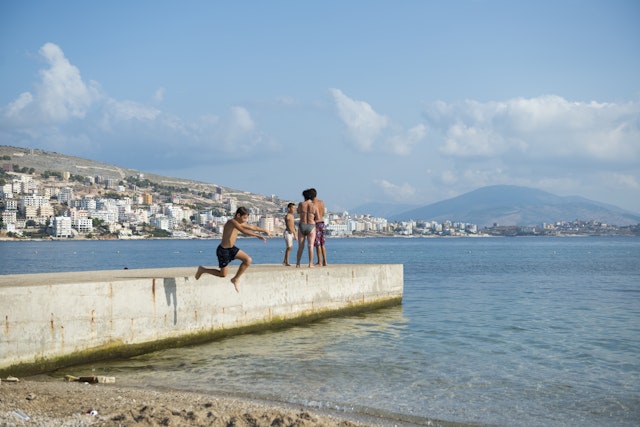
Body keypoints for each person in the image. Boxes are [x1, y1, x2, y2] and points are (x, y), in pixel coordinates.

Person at [195, 207, 271, 292]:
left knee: (248, 260)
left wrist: (264, 230)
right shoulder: (232, 222)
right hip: (223, 251)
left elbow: (252, 227)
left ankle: (235, 279)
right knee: (223, 274)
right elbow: (243, 231)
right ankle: (202, 270)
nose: (245, 220)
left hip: (232, 249)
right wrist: (257, 236)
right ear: (238, 215)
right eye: (244, 218)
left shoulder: (239, 223)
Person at [296, 189, 318, 268]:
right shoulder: (314, 205)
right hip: (311, 225)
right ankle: (310, 263)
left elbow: (298, 211)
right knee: (310, 246)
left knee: (300, 246)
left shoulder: (301, 204)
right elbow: (318, 216)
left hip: (302, 224)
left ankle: (298, 263)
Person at [310, 188, 328, 266]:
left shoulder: (312, 204)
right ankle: (325, 261)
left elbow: (312, 215)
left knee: (317, 244)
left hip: (316, 224)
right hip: (322, 222)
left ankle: (319, 262)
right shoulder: (322, 202)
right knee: (322, 243)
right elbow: (323, 213)